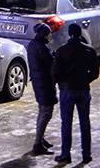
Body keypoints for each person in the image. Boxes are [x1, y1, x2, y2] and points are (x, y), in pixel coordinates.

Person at [52, 22, 99, 163]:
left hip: (67, 90)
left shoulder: (62, 50)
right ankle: (87, 154)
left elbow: (55, 72)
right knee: (85, 122)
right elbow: (95, 73)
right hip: (84, 89)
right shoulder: (90, 50)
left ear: (70, 34)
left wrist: (61, 83)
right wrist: (85, 80)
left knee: (66, 123)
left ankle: (66, 154)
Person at [27, 22, 57, 155]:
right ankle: (37, 144)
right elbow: (51, 65)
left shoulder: (32, 45)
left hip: (38, 83)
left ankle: (41, 138)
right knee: (46, 113)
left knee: (42, 112)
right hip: (44, 84)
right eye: (49, 33)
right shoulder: (42, 49)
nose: (50, 36)